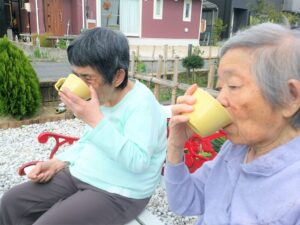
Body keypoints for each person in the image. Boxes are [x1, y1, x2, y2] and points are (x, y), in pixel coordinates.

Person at [0, 27, 167, 225]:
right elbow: (90, 140)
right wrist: (59, 162)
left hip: (119, 190)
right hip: (82, 172)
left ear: (117, 77)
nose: (79, 83)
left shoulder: (141, 104)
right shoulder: (104, 96)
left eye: (87, 77)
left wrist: (95, 119)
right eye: (76, 75)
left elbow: (138, 162)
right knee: (11, 202)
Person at [165, 23, 300, 224]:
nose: (221, 100)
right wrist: (176, 146)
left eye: (234, 86)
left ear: (290, 97)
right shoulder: (234, 151)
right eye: (220, 88)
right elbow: (185, 202)